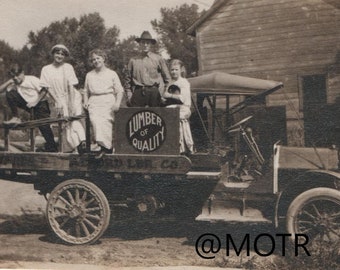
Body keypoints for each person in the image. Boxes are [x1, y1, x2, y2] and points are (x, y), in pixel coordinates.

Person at [0, 64, 58, 152]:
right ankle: (16, 117)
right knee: (10, 93)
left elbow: (44, 90)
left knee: (44, 127)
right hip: (28, 104)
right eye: (13, 76)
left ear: (23, 73)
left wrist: (35, 102)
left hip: (40, 104)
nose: (16, 78)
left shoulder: (31, 79)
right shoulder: (15, 82)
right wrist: (9, 81)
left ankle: (52, 148)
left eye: (17, 75)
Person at [40, 44, 86, 153]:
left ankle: (81, 142)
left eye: (62, 54)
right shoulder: (46, 69)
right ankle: (73, 146)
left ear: (64, 56)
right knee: (65, 123)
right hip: (58, 98)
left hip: (72, 96)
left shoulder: (68, 67)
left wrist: (70, 104)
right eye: (57, 53)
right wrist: (57, 100)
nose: (59, 56)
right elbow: (46, 87)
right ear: (53, 54)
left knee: (73, 119)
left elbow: (71, 86)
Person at [84, 49, 124, 158]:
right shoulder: (89, 75)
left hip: (108, 100)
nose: (96, 61)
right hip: (94, 101)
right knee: (96, 121)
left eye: (98, 58)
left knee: (105, 122)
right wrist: (86, 101)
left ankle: (106, 148)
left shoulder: (112, 74)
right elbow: (86, 91)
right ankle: (103, 146)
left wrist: (117, 103)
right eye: (93, 59)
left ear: (103, 58)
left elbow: (119, 90)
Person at [124, 31, 171, 107]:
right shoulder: (133, 60)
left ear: (151, 44)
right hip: (138, 92)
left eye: (148, 43)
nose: (145, 45)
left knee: (156, 116)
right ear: (140, 44)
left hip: (154, 93)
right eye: (143, 42)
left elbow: (168, 79)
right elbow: (127, 81)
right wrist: (129, 96)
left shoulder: (158, 59)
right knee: (137, 117)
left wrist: (164, 94)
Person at [163, 59, 194, 154]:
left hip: (183, 108)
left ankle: (182, 148)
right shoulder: (170, 83)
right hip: (172, 108)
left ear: (181, 70)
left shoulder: (184, 82)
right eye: (172, 70)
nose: (174, 72)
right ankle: (170, 146)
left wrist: (169, 95)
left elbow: (182, 99)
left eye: (176, 69)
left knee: (176, 118)